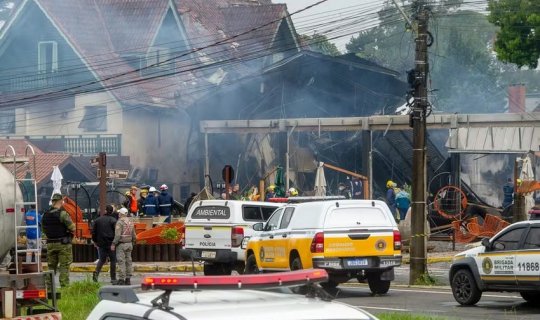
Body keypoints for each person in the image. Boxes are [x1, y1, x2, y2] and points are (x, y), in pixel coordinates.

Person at [41, 193, 75, 288]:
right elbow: (72, 228)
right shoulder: (63, 214)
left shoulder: (45, 215)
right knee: (64, 265)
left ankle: (49, 287)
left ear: (52, 201)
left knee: (51, 266)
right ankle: (64, 287)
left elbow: (43, 230)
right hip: (63, 244)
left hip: (50, 243)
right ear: (61, 201)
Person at [92, 204, 117, 284]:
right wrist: (115, 242)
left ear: (105, 210)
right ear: (112, 211)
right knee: (113, 260)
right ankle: (113, 278)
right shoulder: (113, 220)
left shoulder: (97, 220)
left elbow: (93, 233)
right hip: (111, 244)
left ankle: (96, 274)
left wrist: (95, 242)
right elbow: (116, 233)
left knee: (101, 260)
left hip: (101, 243)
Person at [112, 207, 136, 285]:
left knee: (121, 261)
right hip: (129, 244)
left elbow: (117, 235)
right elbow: (134, 235)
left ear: (121, 214)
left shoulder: (119, 222)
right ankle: (128, 279)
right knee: (129, 261)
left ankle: (121, 279)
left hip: (121, 244)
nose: (118, 214)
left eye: (119, 213)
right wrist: (133, 242)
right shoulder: (131, 221)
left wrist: (113, 243)